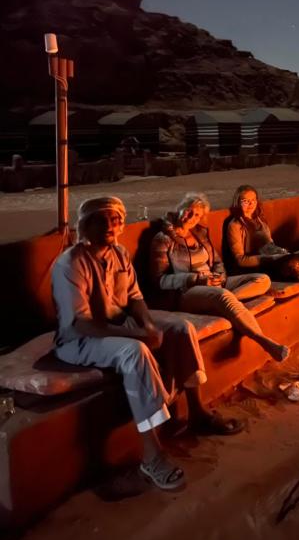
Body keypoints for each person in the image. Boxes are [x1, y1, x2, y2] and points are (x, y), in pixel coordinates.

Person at [51, 196, 242, 493]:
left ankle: (198, 411)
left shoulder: (120, 254)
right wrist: (141, 336)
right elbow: (81, 323)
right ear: (85, 226)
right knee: (135, 352)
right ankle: (151, 455)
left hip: (118, 324)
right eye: (102, 220)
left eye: (116, 219)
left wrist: (148, 325)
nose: (111, 225)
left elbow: (136, 298)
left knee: (181, 328)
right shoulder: (71, 263)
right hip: (81, 339)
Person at [149, 191, 289, 363]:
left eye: (197, 215)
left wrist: (220, 277)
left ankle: (228, 302)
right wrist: (196, 279)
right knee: (222, 295)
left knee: (262, 280)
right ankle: (263, 340)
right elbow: (160, 280)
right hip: (187, 291)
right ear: (180, 209)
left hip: (213, 283)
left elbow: (217, 262)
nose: (191, 217)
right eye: (188, 211)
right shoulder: (163, 239)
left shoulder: (199, 234)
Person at [223, 185, 299, 281]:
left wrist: (281, 254)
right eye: (246, 201)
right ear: (238, 203)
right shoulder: (235, 225)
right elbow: (240, 260)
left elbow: (271, 246)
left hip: (276, 258)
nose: (251, 204)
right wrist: (270, 258)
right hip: (262, 265)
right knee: (294, 263)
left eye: (253, 200)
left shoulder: (260, 220)